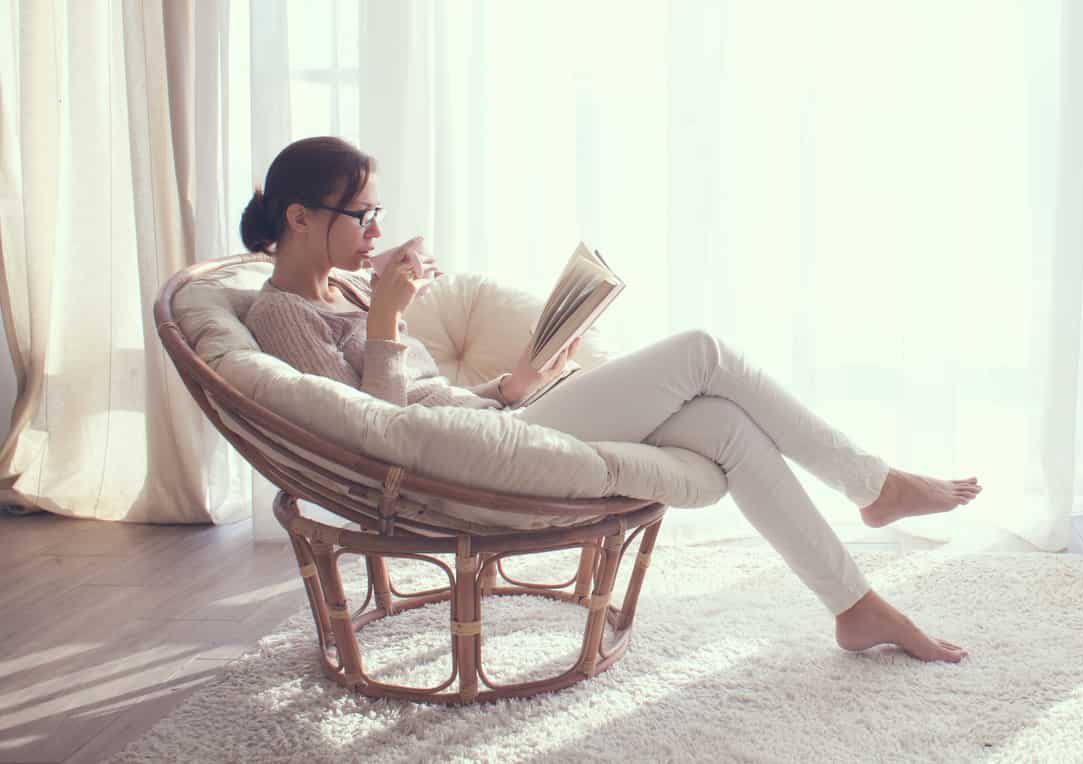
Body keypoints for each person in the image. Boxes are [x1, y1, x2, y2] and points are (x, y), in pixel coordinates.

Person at [239, 136, 981, 663]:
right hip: (460, 470)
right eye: (361, 215)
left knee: (722, 422)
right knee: (702, 351)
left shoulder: (350, 289)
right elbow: (373, 436)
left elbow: (427, 401)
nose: (376, 230)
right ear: (300, 218)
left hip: (490, 429)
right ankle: (873, 484)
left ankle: (854, 607)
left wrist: (516, 382)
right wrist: (386, 320)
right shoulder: (282, 314)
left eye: (377, 212)